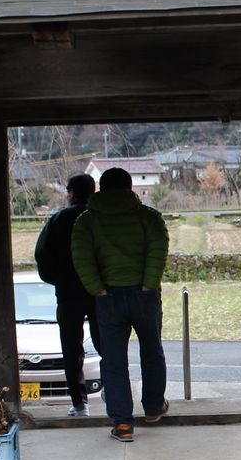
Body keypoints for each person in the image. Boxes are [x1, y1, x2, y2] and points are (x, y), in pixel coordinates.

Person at [71, 167, 170, 443]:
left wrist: (98, 289)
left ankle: (123, 423)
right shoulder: (149, 217)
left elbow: (82, 257)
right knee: (152, 351)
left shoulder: (86, 221)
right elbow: (158, 250)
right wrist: (148, 284)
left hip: (108, 298)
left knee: (113, 361)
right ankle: (153, 407)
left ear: (101, 188)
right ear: (130, 188)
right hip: (145, 295)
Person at [34, 173, 101, 417]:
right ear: (93, 191)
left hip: (68, 292)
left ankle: (80, 403)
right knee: (106, 342)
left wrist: (58, 279)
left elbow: (42, 254)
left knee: (72, 348)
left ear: (71, 193)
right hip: (99, 290)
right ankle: (112, 390)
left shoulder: (59, 218)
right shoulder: (100, 217)